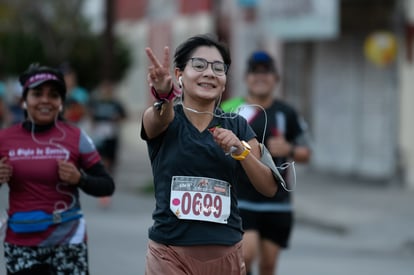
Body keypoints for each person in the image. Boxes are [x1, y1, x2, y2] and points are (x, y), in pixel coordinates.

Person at [140, 34, 282, 275]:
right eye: (198, 65)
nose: (209, 73)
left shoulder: (238, 126)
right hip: (169, 253)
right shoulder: (166, 119)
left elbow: (269, 186)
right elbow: (157, 119)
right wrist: (163, 96)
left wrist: (241, 151)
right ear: (179, 75)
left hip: (225, 253)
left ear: (225, 81)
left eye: (218, 68)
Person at [0, 64, 115, 274]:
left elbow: (107, 186)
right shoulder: (4, 139)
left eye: (53, 95)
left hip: (68, 240)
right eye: (37, 94)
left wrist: (80, 179)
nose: (45, 100)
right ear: (24, 101)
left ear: (61, 102)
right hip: (21, 242)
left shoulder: (76, 136)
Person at [221, 51, 312, 275]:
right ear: (246, 78)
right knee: (246, 255)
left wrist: (289, 149)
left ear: (276, 78)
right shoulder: (232, 109)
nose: (260, 77)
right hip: (241, 199)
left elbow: (307, 152)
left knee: (269, 265)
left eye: (266, 72)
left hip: (277, 201)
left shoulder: (286, 113)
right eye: (254, 72)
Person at [89, 80, 127, 208]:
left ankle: (108, 184)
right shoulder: (97, 103)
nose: (106, 92)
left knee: (111, 163)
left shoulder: (116, 103)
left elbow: (125, 116)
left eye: (109, 90)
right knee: (103, 162)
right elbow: (91, 115)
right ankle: (103, 192)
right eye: (104, 90)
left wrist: (117, 118)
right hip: (100, 136)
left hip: (112, 136)